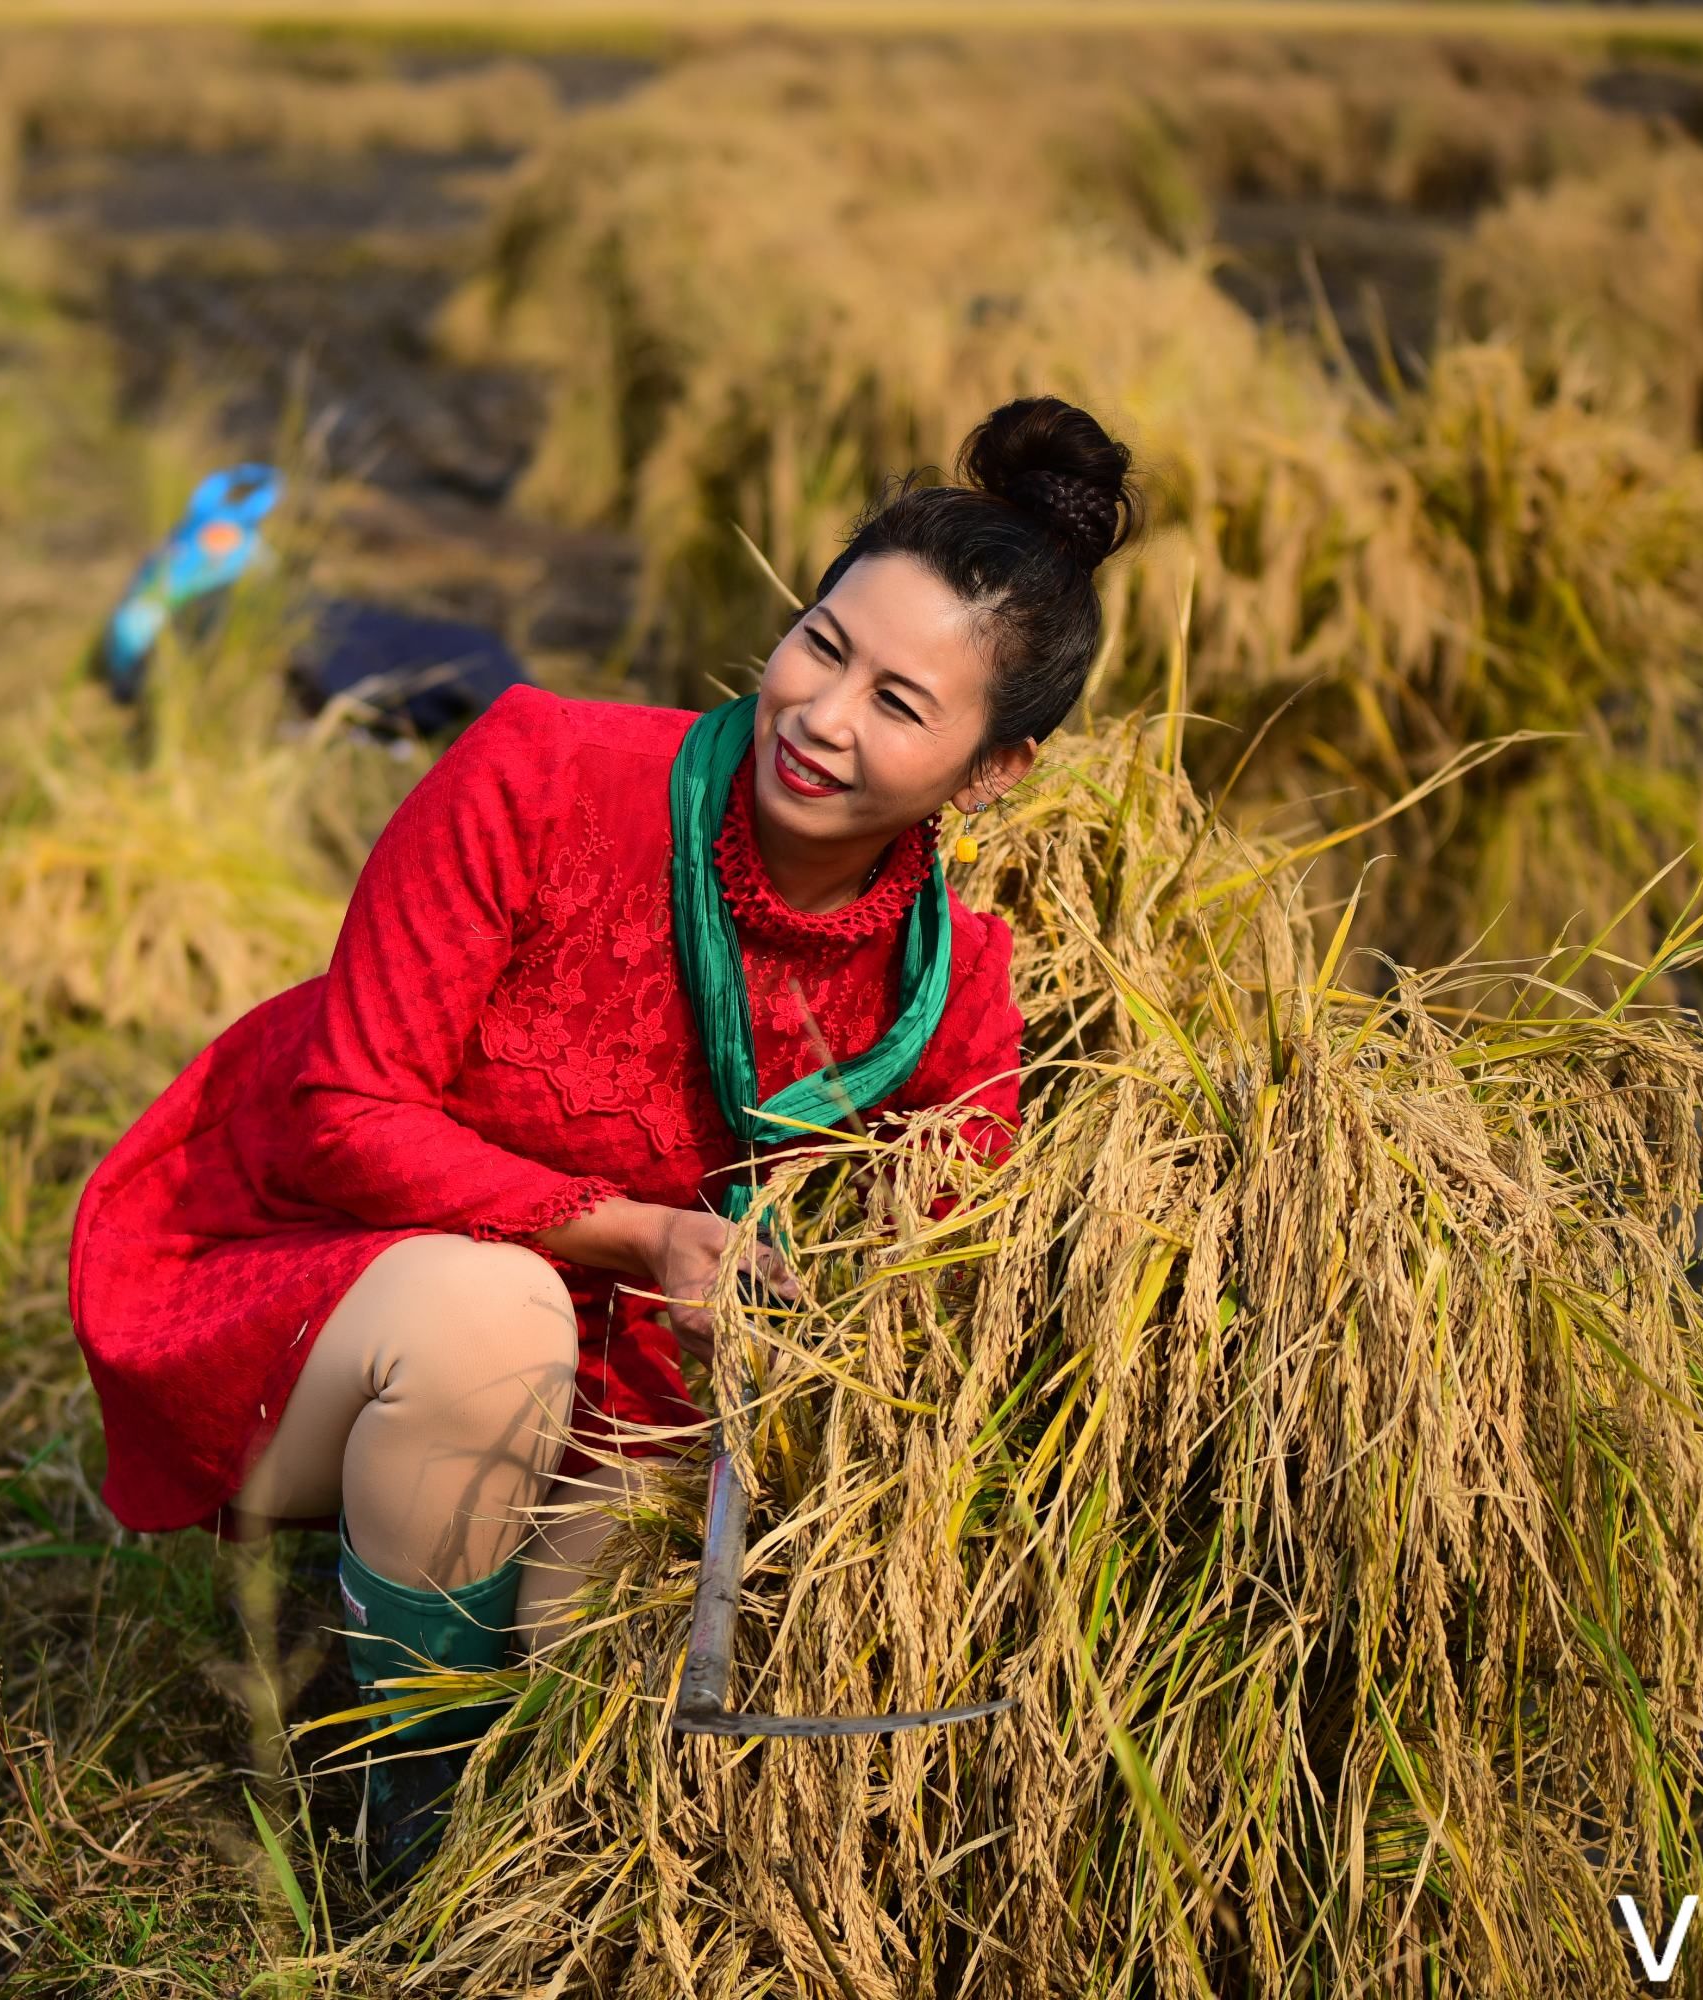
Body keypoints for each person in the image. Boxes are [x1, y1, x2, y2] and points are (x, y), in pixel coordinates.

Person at [66, 395, 1139, 1880]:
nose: (824, 719)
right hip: (312, 1268)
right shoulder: (542, 773)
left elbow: (928, 1295)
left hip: (636, 1383)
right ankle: (405, 1809)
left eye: (901, 704)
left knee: (606, 1689)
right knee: (488, 1317)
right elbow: (341, 1113)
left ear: (993, 770)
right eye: (823, 647)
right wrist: (639, 1234)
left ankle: (475, 1714)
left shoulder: (950, 1001)